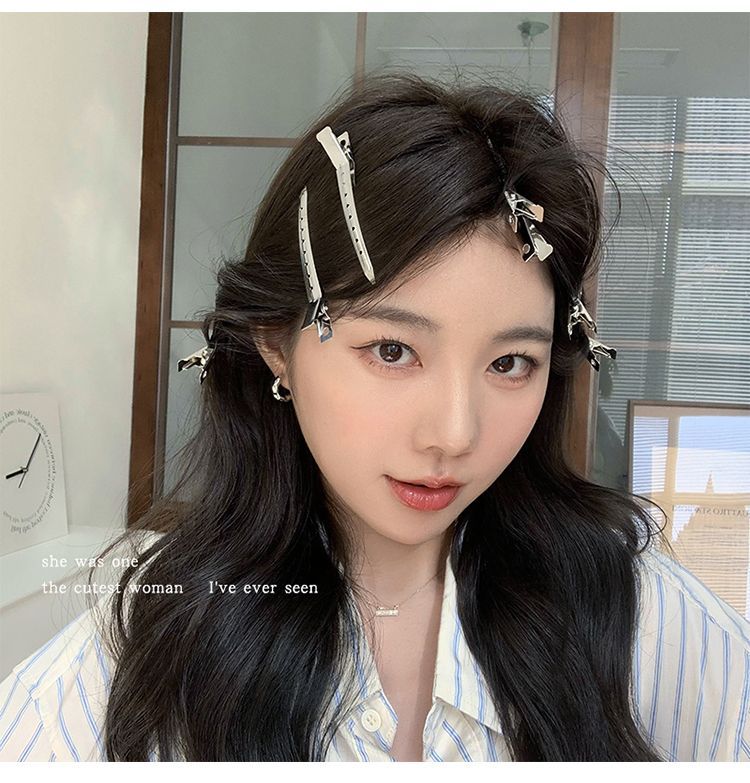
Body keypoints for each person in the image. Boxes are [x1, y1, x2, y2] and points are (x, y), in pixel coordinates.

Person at [1, 72, 748, 763]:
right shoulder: (126, 663)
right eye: (393, 350)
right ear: (277, 345)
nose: (454, 434)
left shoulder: (644, 618)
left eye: (510, 363)